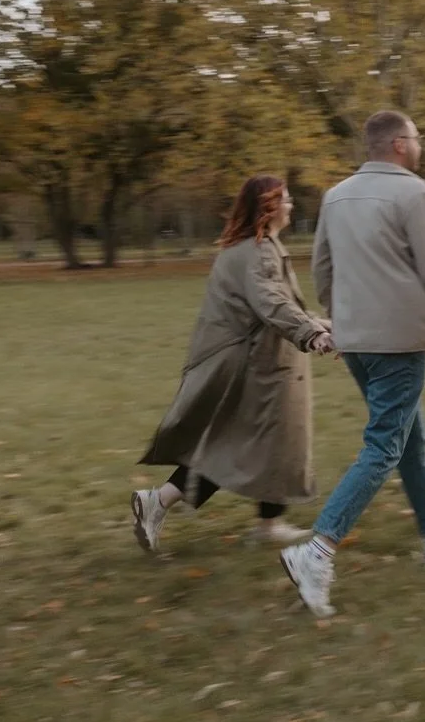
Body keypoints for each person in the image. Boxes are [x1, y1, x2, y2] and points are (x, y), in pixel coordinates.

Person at [280, 110, 425, 617]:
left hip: (355, 340)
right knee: (384, 447)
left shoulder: (334, 196)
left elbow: (322, 268)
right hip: (397, 341)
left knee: (409, 437)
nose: (419, 146)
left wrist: (340, 322)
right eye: (416, 138)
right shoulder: (415, 194)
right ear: (398, 144)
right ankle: (318, 552)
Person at [132, 175, 335, 553]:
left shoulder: (256, 247)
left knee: (256, 445)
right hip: (256, 367)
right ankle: (158, 502)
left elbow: (281, 303)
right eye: (286, 200)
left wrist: (319, 323)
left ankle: (267, 522)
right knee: (237, 448)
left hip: (259, 361)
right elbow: (271, 303)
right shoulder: (257, 251)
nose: (292, 206)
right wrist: (312, 334)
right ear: (269, 206)